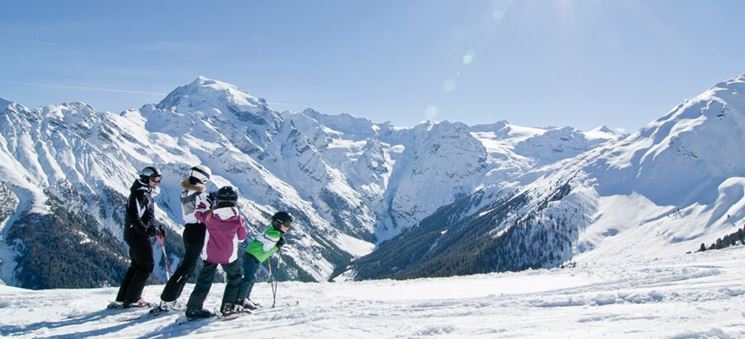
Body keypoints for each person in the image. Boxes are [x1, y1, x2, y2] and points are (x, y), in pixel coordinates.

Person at [152, 165, 212, 313]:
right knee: (186, 268)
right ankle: (168, 300)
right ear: (203, 178)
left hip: (189, 230)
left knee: (186, 267)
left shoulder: (187, 190)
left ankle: (169, 299)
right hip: (197, 230)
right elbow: (207, 211)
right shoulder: (199, 193)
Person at [185, 186, 247, 319]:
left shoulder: (210, 216)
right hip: (228, 255)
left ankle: (193, 309)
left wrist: (206, 203)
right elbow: (242, 237)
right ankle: (227, 308)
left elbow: (198, 213)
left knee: (204, 280)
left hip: (210, 254)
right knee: (235, 278)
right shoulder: (237, 219)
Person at [114, 166, 166, 308]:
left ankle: (124, 297)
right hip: (136, 235)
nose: (157, 182)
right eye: (155, 179)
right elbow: (134, 217)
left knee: (137, 266)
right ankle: (132, 299)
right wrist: (145, 231)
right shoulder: (139, 194)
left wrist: (154, 228)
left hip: (136, 233)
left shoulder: (144, 192)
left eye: (159, 179)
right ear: (146, 178)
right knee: (146, 265)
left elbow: (146, 216)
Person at [236, 211, 292, 311]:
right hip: (253, 256)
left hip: (251, 255)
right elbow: (266, 250)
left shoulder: (273, 230)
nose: (288, 227)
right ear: (279, 223)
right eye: (286, 224)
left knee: (250, 278)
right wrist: (277, 246)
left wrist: (278, 241)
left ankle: (245, 298)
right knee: (249, 278)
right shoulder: (275, 235)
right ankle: (241, 301)